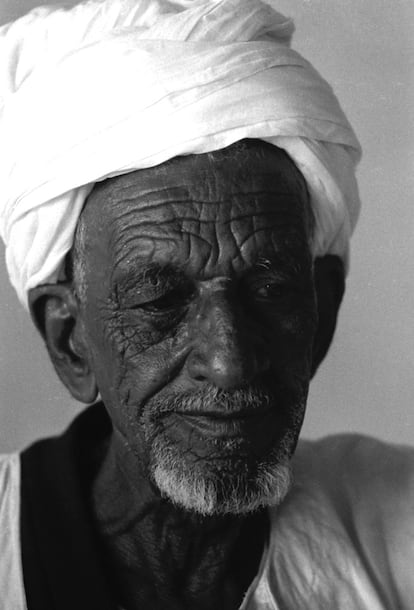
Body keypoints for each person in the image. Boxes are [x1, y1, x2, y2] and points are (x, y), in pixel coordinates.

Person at [0, 0, 413, 608]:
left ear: (320, 314)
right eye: (160, 300)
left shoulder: (396, 528)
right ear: (71, 343)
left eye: (271, 290)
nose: (230, 362)